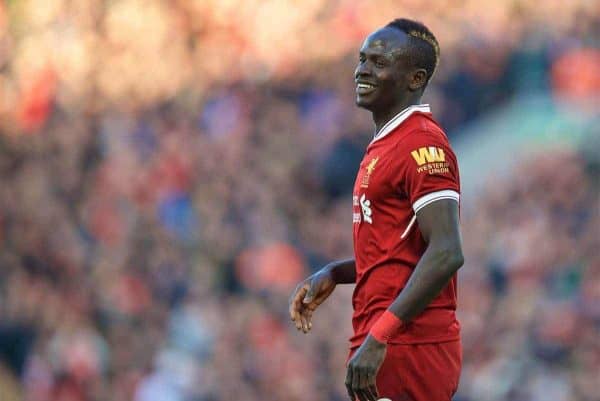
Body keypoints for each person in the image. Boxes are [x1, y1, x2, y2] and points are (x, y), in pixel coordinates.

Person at [289, 18, 464, 401]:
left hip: (409, 345)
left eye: (379, 62)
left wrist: (382, 335)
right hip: (386, 340)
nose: (362, 70)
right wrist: (335, 272)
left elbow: (447, 250)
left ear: (414, 79)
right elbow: (400, 255)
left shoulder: (421, 145)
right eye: (362, 58)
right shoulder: (386, 143)